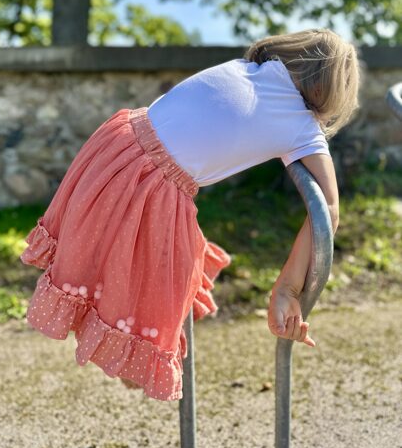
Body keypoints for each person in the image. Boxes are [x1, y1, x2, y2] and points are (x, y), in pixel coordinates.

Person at [20, 28, 361, 401]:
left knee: (127, 272)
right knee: (156, 293)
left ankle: (115, 339)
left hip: (117, 145)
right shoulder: (302, 127)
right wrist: (287, 289)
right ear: (334, 93)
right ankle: (126, 354)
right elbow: (328, 209)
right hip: (152, 186)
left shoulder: (245, 68)